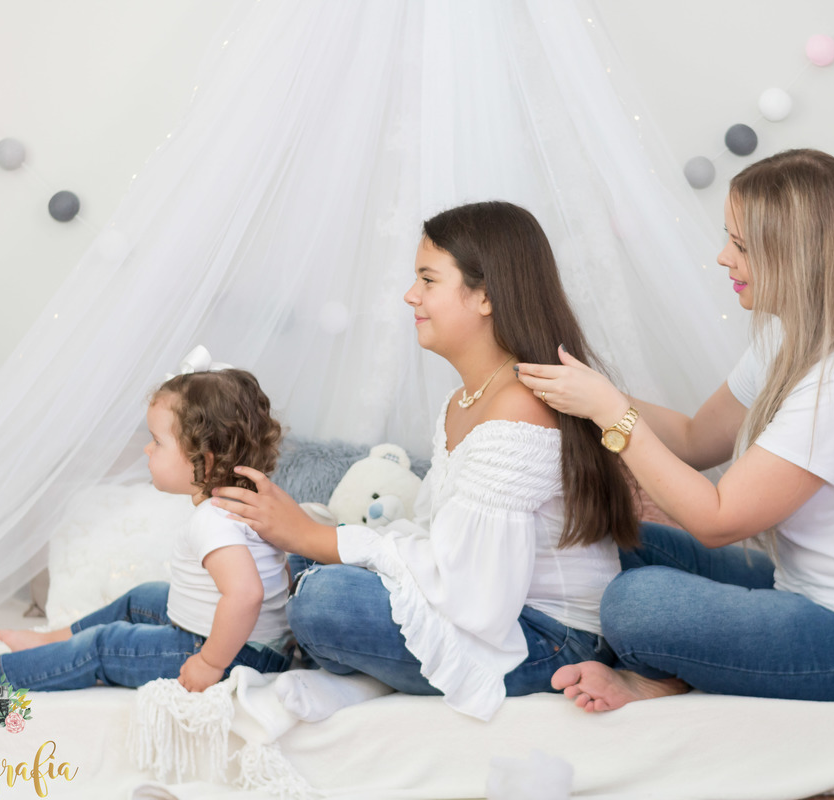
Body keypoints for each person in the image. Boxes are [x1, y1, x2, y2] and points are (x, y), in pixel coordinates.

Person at [516, 149, 834, 711]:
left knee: (638, 603)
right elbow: (691, 439)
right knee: (612, 536)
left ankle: (659, 672)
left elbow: (716, 520)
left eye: (744, 247)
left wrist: (611, 414)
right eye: (729, 238)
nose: (723, 258)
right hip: (802, 589)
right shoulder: (788, 338)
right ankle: (669, 666)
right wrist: (585, 387)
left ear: (798, 257)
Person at [210, 201, 640, 721]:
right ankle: (356, 665)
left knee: (323, 601)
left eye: (428, 279)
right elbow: (440, 540)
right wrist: (314, 539)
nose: (411, 295)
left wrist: (312, 537)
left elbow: (474, 596)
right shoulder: (464, 401)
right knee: (307, 565)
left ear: (485, 295)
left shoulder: (518, 410)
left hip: (548, 637)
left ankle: (355, 675)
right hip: (497, 607)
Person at [0, 364, 293, 692]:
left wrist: (209, 662)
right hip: (260, 646)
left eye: (157, 441)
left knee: (106, 645)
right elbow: (278, 572)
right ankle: (55, 638)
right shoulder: (254, 504)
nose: (146, 448)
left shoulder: (213, 521)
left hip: (234, 654)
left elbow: (247, 594)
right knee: (143, 597)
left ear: (205, 459)